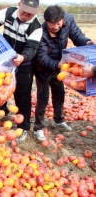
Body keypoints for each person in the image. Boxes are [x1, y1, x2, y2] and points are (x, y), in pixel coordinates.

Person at [33, 5, 93, 141]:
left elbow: (77, 36)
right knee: (43, 98)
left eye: (58, 23)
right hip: (43, 68)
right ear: (46, 21)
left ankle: (58, 120)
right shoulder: (40, 31)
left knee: (59, 93)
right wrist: (57, 64)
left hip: (60, 66)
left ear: (62, 19)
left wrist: (87, 42)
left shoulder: (68, 20)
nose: (55, 27)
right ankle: (38, 128)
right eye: (51, 24)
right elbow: (41, 57)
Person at [0, 0, 42, 141]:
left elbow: (31, 48)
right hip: (5, 60)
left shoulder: (36, 27)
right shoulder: (10, 12)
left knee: (22, 95)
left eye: (29, 14)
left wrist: (23, 57)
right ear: (19, 4)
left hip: (24, 64)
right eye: (23, 12)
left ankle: (23, 126)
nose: (25, 16)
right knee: (1, 88)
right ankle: (2, 110)